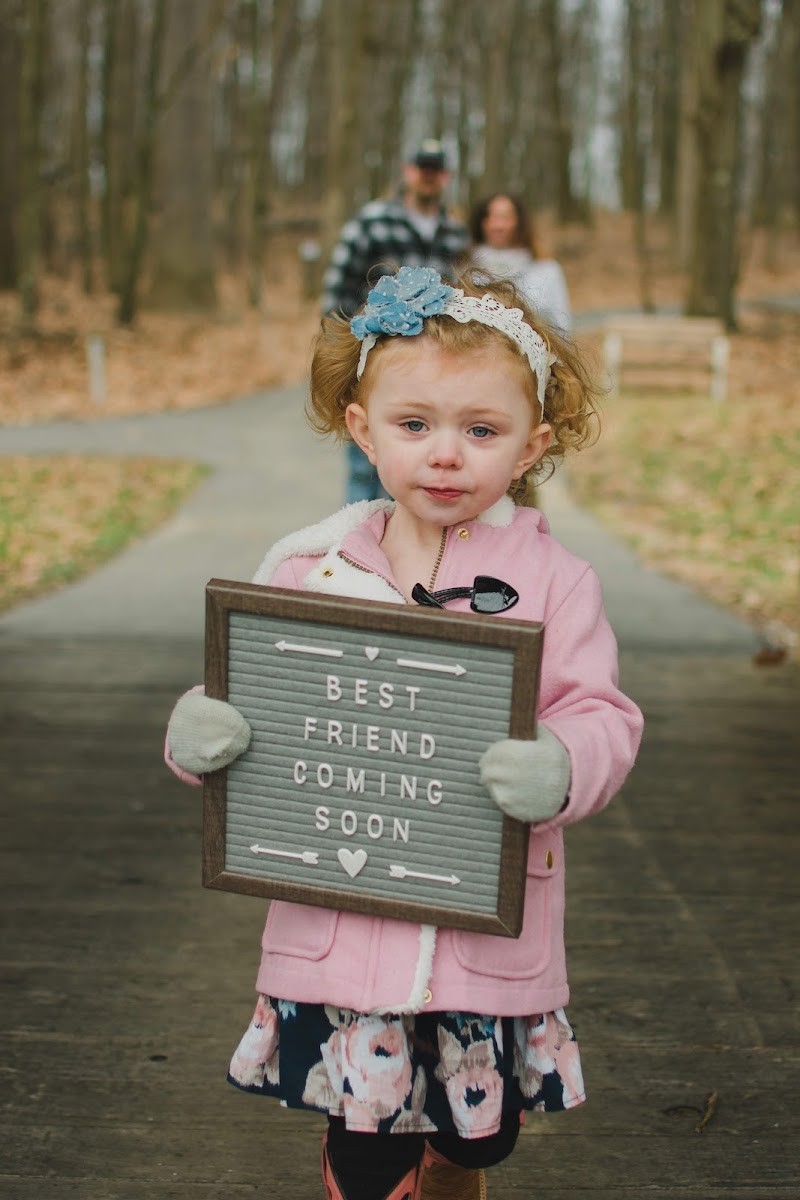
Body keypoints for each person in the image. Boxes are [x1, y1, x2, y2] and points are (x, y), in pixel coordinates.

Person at [164, 266, 643, 1200]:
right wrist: (202, 734)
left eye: (482, 430)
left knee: (477, 1142)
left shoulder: (556, 582)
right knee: (367, 1142)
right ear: (362, 429)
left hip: (483, 934)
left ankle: (452, 1169)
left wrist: (564, 762)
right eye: (414, 425)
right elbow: (256, 702)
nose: (446, 456)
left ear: (534, 443)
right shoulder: (315, 570)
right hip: (345, 927)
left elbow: (601, 715)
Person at [321, 140, 470, 505]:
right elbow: (337, 293)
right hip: (374, 358)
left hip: (435, 366)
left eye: (435, 171)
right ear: (408, 172)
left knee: (412, 459)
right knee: (365, 459)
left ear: (445, 177)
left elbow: (465, 296)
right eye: (422, 169)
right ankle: (354, 544)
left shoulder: (454, 232)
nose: (428, 177)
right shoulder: (372, 223)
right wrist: (340, 355)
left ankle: (404, 545)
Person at [469, 193, 572, 335]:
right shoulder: (467, 272)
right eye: (491, 217)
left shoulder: (546, 270)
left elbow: (562, 327)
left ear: (519, 222)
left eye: (505, 217)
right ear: (482, 223)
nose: (498, 225)